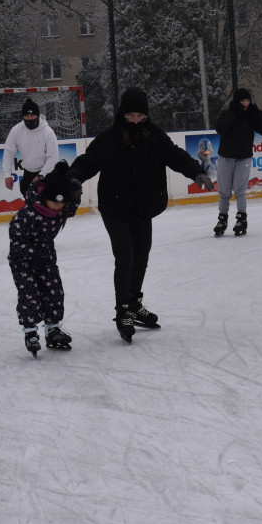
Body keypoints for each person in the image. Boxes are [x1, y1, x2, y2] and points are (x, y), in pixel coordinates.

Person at [67, 87, 214, 343]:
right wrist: (72, 178)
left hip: (142, 207)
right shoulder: (109, 139)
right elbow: (87, 161)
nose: (135, 120)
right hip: (115, 207)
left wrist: (195, 171)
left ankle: (135, 303)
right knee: (125, 256)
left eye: (140, 116)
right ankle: (123, 310)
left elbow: (175, 156)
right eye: (131, 115)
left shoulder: (154, 136)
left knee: (142, 255)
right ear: (122, 113)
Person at [9, 161, 81, 358]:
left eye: (62, 203)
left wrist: (75, 190)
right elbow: (15, 238)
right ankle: (31, 332)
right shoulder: (28, 213)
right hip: (22, 260)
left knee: (54, 291)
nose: (59, 207)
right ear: (46, 196)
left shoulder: (61, 209)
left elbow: (71, 204)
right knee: (29, 294)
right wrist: (32, 255)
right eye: (55, 202)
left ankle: (52, 330)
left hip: (47, 258)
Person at [213, 87, 262, 235]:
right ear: (236, 101)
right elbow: (220, 128)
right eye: (243, 101)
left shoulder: (251, 115)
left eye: (248, 101)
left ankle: (242, 218)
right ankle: (222, 219)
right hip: (226, 156)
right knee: (224, 191)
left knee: (240, 190)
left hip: (244, 157)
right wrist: (234, 113)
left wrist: (256, 111)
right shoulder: (228, 113)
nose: (245, 104)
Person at [3, 98, 59, 196]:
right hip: (28, 172)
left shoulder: (47, 132)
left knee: (46, 201)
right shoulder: (16, 130)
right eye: (27, 116)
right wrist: (7, 175)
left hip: (47, 172)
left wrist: (41, 175)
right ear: (23, 116)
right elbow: (9, 151)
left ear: (37, 115)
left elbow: (53, 157)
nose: (30, 118)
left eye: (32, 115)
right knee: (26, 192)